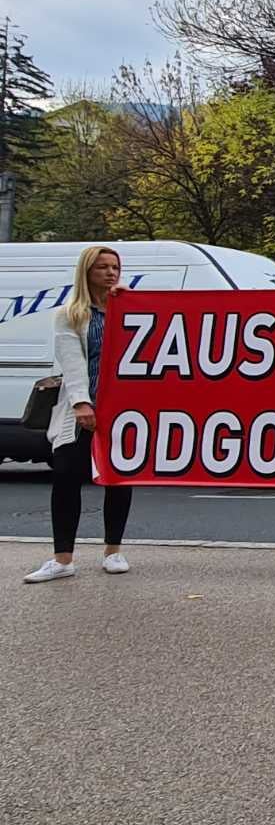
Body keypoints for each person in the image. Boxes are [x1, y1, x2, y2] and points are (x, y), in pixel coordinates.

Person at [24, 246, 134, 584]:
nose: (110, 273)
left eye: (114, 266)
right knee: (67, 477)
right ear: (87, 272)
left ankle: (113, 551)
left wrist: (134, 302)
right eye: (102, 267)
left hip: (122, 409)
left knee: (118, 478)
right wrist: (81, 403)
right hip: (82, 409)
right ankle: (62, 558)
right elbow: (72, 363)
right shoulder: (70, 315)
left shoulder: (128, 309)